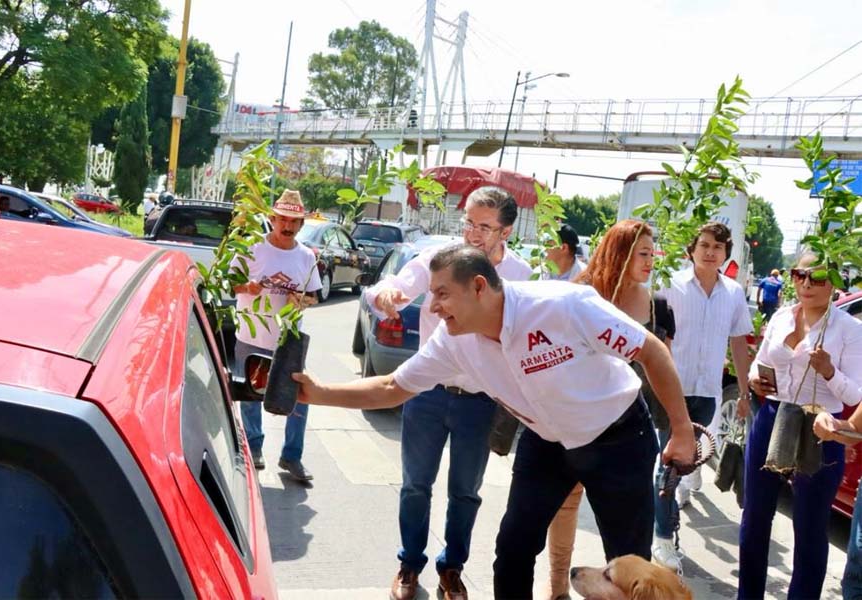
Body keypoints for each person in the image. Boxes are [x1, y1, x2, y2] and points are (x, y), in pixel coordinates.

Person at [293, 244, 696, 600]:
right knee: (513, 550)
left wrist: (680, 431)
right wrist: (319, 392)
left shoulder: (563, 306)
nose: (432, 307)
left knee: (628, 566)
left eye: (442, 294)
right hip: (546, 442)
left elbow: (652, 352)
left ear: (480, 287)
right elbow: (391, 387)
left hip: (618, 438)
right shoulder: (452, 341)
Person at [363, 186, 532, 600]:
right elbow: (395, 284)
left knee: (465, 492)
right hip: (427, 395)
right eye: (469, 223)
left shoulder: (520, 276)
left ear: (505, 232)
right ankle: (409, 564)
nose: (473, 234)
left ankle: (452, 568)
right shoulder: (440, 261)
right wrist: (386, 294)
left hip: (479, 402)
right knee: (415, 485)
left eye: (485, 227)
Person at [537, 219, 677, 600]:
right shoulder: (581, 295)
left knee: (625, 524)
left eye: (652, 253)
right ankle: (558, 589)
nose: (650, 261)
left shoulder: (658, 304)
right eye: (642, 253)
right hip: (576, 420)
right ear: (619, 253)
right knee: (565, 507)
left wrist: (676, 425)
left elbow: (665, 364)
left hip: (630, 429)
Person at [740, 253, 862, 599]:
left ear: (835, 282)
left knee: (810, 526)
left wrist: (828, 370)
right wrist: (754, 379)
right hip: (774, 414)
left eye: (817, 277)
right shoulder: (781, 316)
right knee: (755, 516)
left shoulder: (849, 329)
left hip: (820, 424)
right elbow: (760, 363)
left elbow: (854, 392)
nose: (806, 283)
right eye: (799, 274)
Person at [651, 221, 753, 572]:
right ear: (692, 249)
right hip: (670, 388)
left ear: (726, 254)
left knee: (688, 456)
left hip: (707, 390)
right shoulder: (672, 285)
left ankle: (686, 477)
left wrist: (744, 390)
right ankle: (663, 538)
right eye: (705, 245)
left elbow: (739, 341)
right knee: (666, 462)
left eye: (719, 247)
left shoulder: (734, 293)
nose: (711, 252)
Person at [231, 189, 322, 481]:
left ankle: (291, 456)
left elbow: (313, 297)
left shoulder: (306, 256)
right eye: (282, 219)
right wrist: (247, 288)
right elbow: (229, 284)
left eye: (294, 221)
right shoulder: (250, 249)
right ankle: (254, 448)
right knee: (250, 396)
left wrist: (302, 300)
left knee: (298, 398)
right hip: (251, 335)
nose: (287, 226)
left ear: (301, 225)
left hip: (287, 340)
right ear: (271, 219)